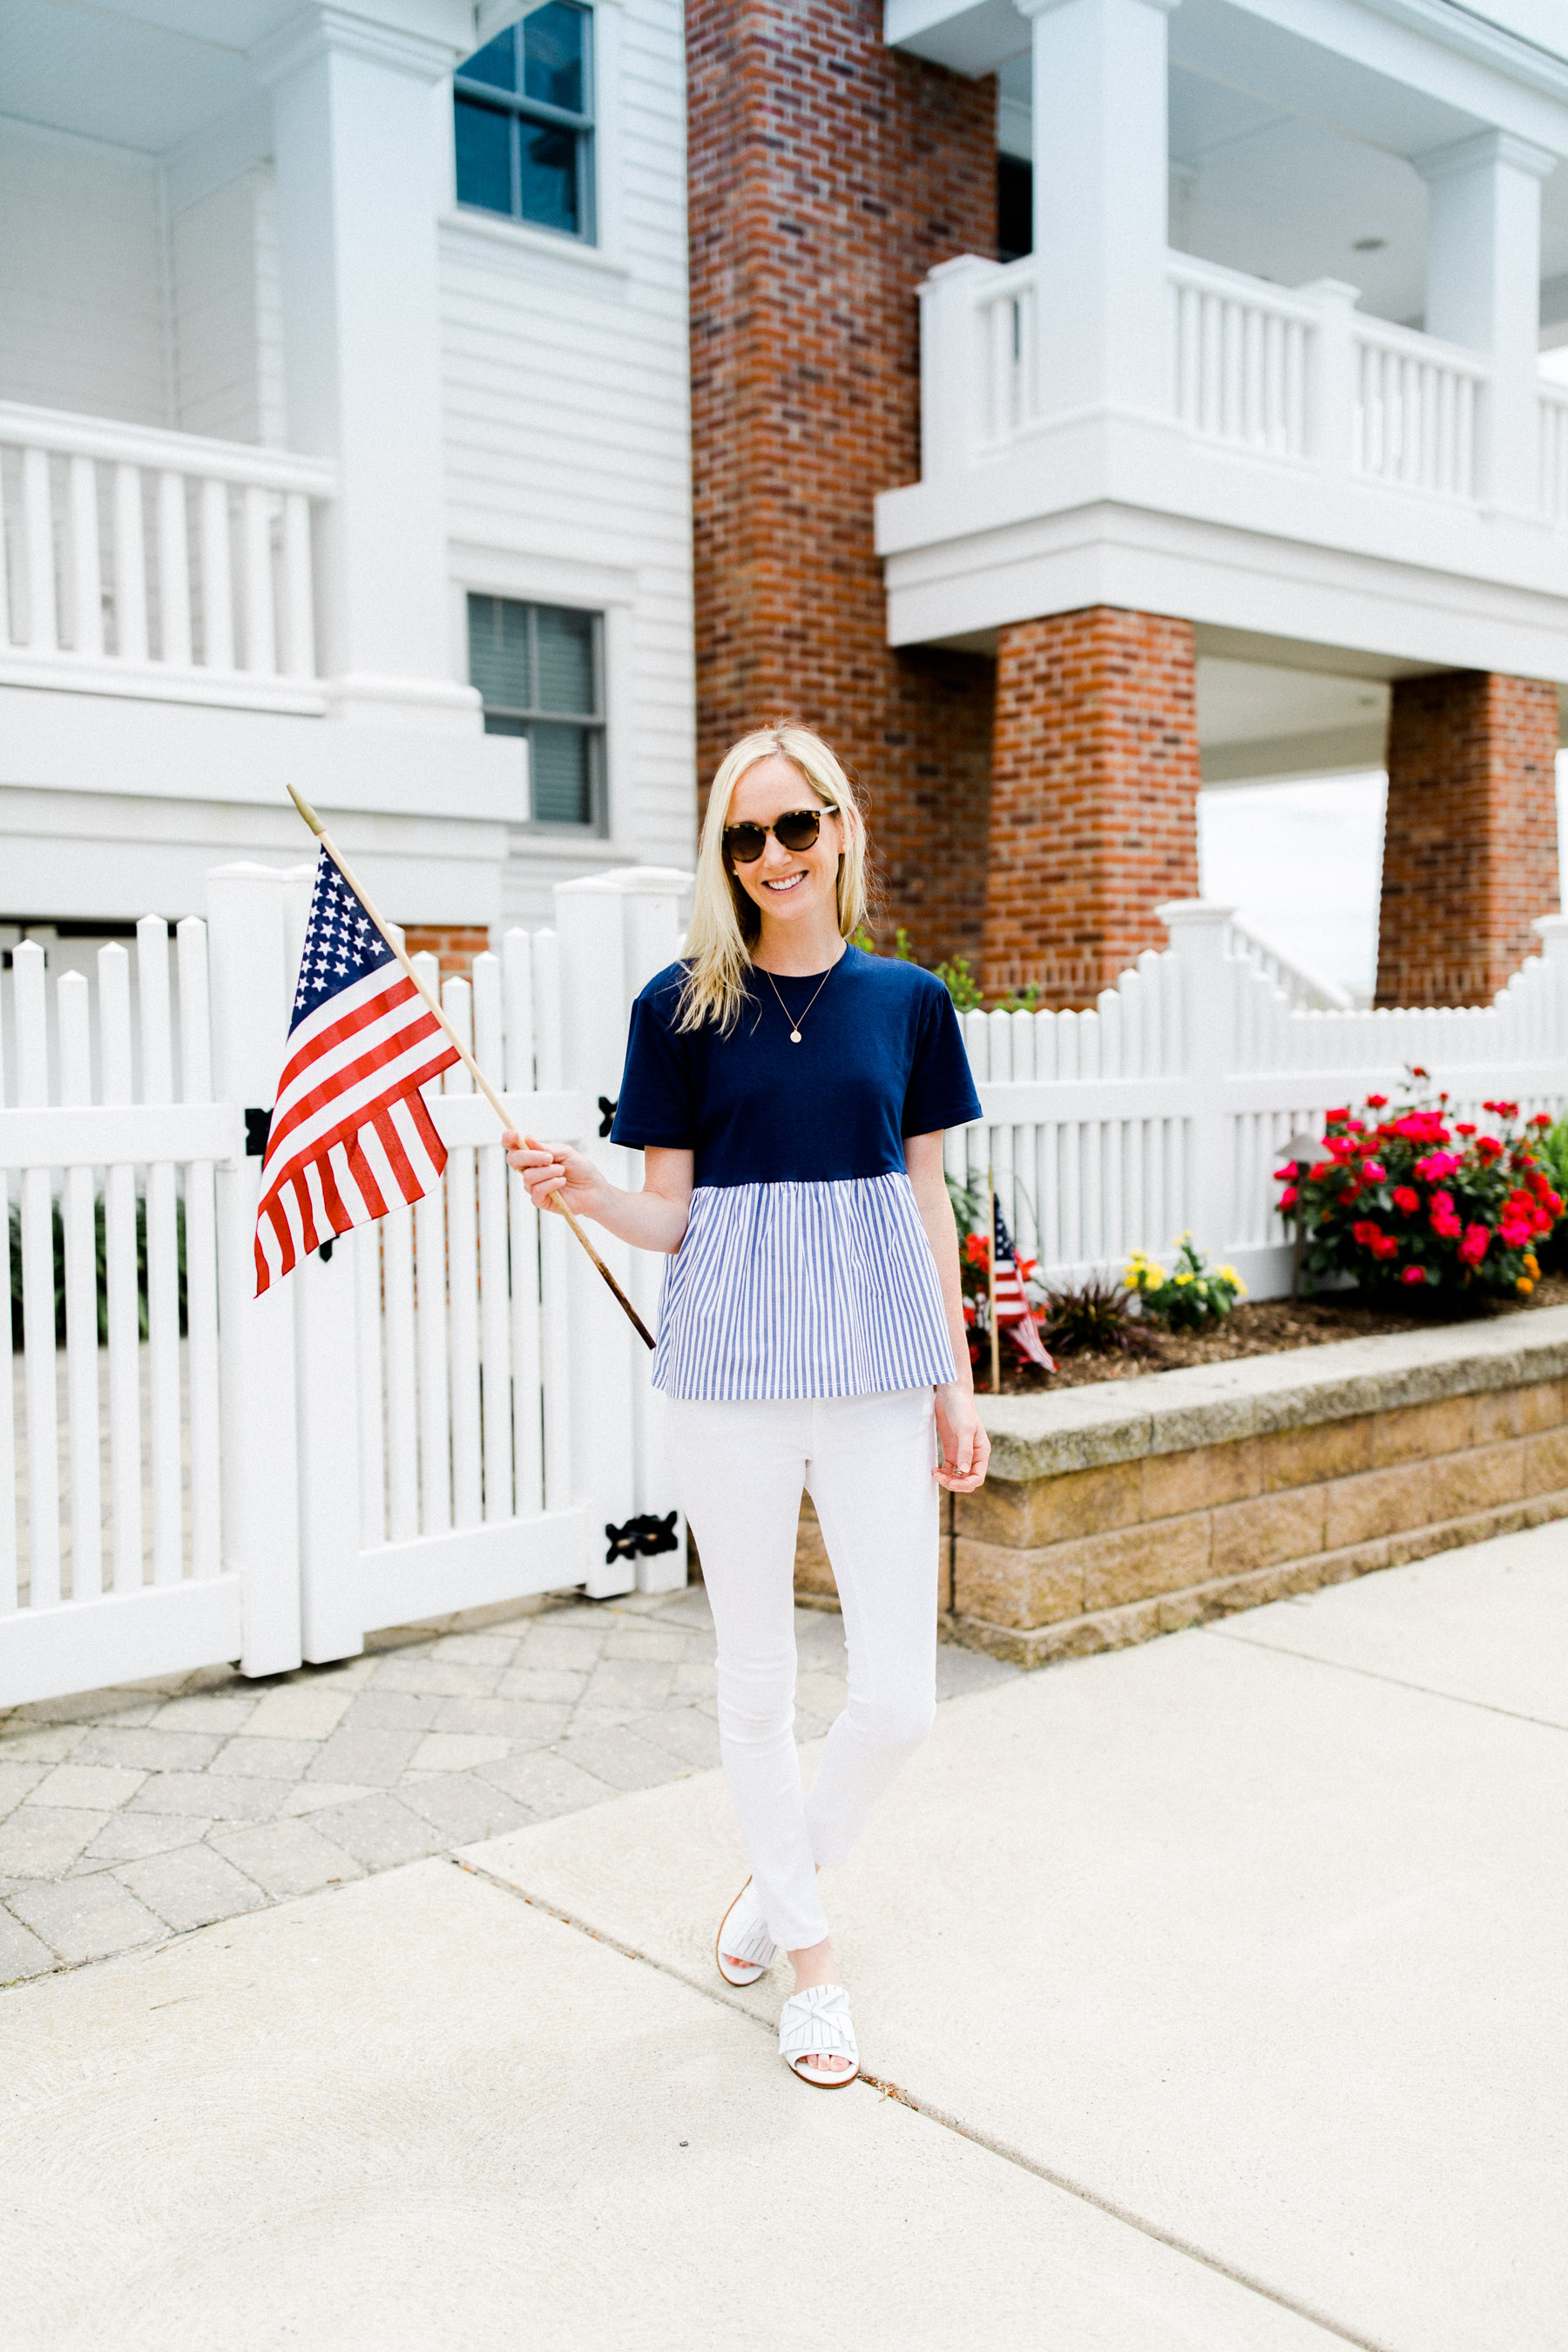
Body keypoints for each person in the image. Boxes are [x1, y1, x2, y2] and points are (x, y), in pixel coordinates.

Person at [505, 723, 990, 2088]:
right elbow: (669, 1210)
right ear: (723, 854)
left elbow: (927, 1203)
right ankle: (813, 1965)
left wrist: (957, 1383)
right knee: (758, 1682)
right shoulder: (680, 1006)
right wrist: (582, 1191)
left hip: (882, 1382)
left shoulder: (909, 1001)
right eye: (744, 836)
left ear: (840, 828)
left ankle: (781, 1883)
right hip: (729, 1385)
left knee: (899, 1698)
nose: (772, 856)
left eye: (795, 827)